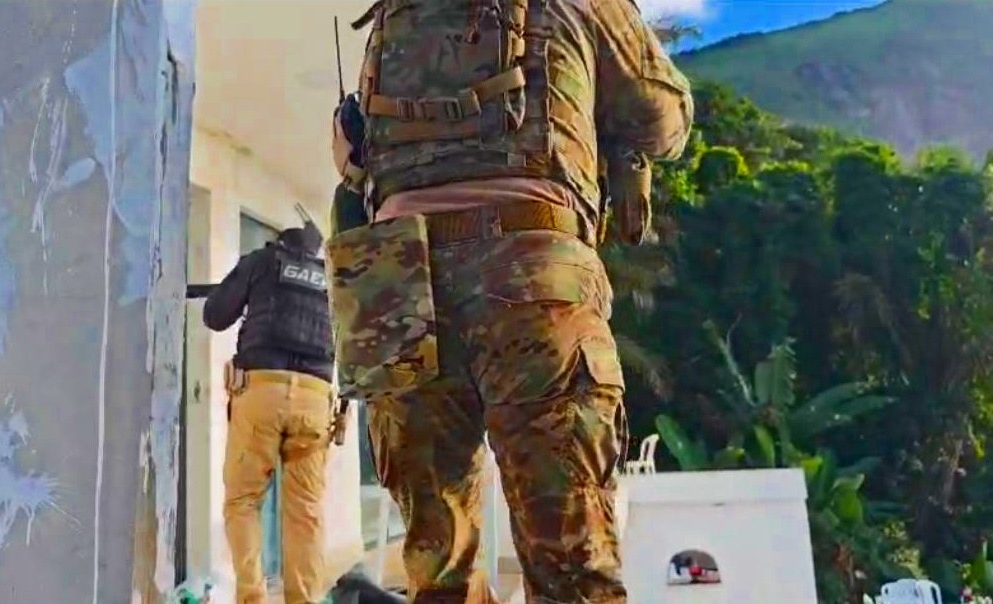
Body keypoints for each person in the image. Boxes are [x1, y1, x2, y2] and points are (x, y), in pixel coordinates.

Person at [328, 0, 692, 601]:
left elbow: (352, 156)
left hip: (392, 283)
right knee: (572, 568)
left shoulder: (395, 12)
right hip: (531, 269)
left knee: (439, 570)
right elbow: (660, 118)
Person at [202, 219, 334, 604]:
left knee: (243, 500)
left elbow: (215, 316)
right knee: (305, 511)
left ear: (280, 243)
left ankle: (252, 597)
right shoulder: (334, 276)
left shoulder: (261, 261)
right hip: (315, 399)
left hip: (261, 393)